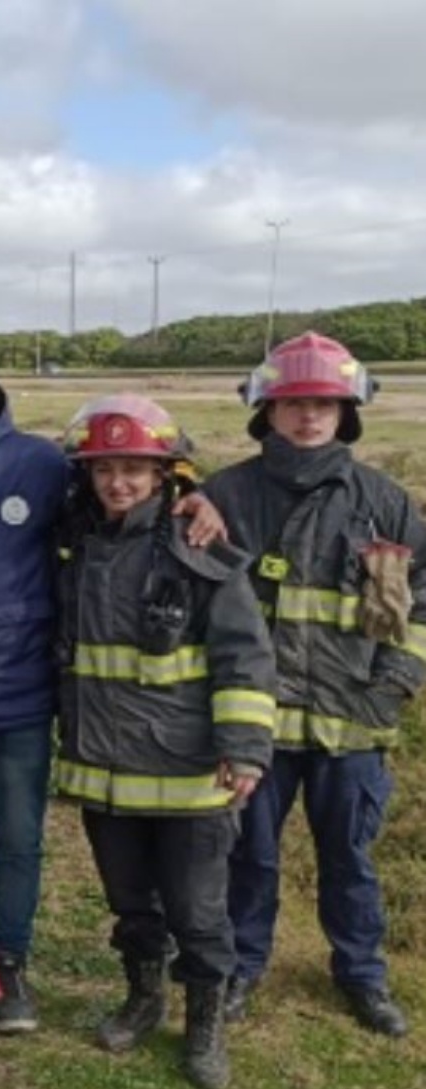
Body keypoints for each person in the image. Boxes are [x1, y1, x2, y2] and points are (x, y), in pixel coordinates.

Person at [0, 336, 224, 1035]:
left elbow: (117, 495)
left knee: (18, 840)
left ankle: (10, 967)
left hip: (18, 697)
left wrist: (195, 496)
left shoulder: (40, 464)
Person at [204, 332, 426, 1039]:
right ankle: (242, 965)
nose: (308, 417)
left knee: (350, 860)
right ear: (266, 411)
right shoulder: (226, 496)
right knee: (251, 856)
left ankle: (362, 974)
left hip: (350, 721)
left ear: (347, 412)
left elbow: (419, 601)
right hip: (257, 726)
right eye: (294, 403)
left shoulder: (384, 502)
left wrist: (393, 683)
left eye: (323, 404)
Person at [54, 395, 275, 1089]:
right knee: (132, 906)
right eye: (105, 470)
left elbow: (244, 655)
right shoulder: (74, 545)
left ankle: (204, 1024)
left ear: (164, 475)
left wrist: (244, 747)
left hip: (187, 774)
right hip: (105, 772)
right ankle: (144, 995)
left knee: (199, 912)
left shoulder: (199, 548)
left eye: (135, 470)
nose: (119, 483)